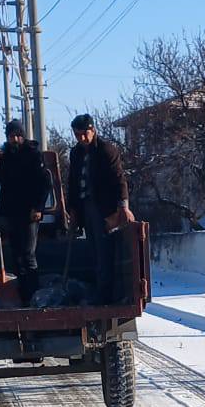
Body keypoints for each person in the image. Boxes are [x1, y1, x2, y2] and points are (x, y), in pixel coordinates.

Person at [67, 114, 134, 302]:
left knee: (104, 252)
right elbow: (72, 182)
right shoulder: (76, 153)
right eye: (77, 134)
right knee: (94, 251)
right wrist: (73, 210)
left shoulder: (106, 150)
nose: (81, 138)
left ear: (93, 130)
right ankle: (99, 290)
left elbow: (119, 178)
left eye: (84, 133)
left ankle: (105, 295)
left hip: (103, 209)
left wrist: (123, 207)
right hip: (84, 207)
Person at [0, 120, 50, 304]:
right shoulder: (7, 156)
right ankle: (22, 296)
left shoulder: (32, 154)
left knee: (28, 255)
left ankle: (33, 296)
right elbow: (2, 178)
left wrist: (38, 207)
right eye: (11, 135)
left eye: (18, 135)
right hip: (11, 212)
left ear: (23, 136)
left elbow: (45, 183)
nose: (15, 139)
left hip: (29, 213)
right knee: (16, 256)